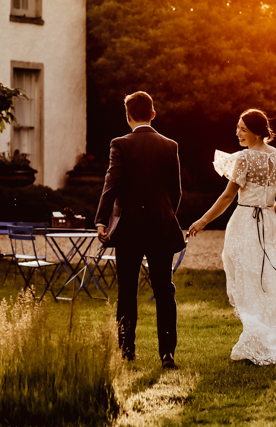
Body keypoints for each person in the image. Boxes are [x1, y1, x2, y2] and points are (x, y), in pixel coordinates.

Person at [188, 109, 276, 365]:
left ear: (257, 132)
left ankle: (257, 337)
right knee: (269, 278)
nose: (238, 133)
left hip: (244, 222)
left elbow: (228, 196)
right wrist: (267, 215)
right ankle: (268, 336)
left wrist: (203, 221)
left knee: (246, 276)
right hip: (269, 223)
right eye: (238, 128)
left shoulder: (245, 158)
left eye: (243, 129)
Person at [95, 91, 187, 367]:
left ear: (128, 116)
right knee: (164, 291)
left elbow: (111, 184)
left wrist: (102, 220)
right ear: (153, 114)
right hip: (161, 226)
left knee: (127, 291)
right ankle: (167, 354)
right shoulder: (170, 145)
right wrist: (166, 214)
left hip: (129, 229)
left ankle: (127, 350)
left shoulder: (120, 144)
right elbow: (176, 191)